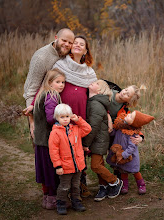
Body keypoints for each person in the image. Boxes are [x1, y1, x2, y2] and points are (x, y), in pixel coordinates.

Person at [53, 35, 97, 197]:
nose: (77, 45)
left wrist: (105, 114)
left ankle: (80, 184)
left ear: (86, 50)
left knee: (79, 147)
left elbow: (95, 95)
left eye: (82, 44)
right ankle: (63, 186)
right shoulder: (60, 65)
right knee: (64, 147)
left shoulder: (89, 72)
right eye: (75, 43)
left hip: (81, 114)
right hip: (64, 113)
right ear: (71, 47)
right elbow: (52, 83)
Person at [23, 28, 74, 138]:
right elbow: (31, 89)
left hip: (59, 110)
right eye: (64, 40)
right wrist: (32, 121)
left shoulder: (68, 55)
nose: (67, 44)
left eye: (70, 43)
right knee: (42, 146)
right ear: (56, 38)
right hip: (40, 108)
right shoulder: (41, 58)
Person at [82, 80, 123, 201]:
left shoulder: (96, 105)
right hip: (97, 139)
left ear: (99, 90)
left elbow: (93, 127)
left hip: (98, 140)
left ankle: (115, 181)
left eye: (96, 83)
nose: (92, 83)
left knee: (95, 166)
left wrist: (86, 143)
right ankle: (103, 186)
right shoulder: (94, 102)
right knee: (99, 164)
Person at [48, 104, 92, 215]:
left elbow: (88, 129)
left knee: (76, 185)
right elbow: (53, 151)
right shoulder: (55, 133)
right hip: (65, 166)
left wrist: (78, 119)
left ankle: (76, 202)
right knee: (64, 186)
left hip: (78, 165)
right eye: (62, 117)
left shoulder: (75, 129)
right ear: (57, 118)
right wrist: (58, 166)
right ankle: (61, 203)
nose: (65, 119)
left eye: (67, 116)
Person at [32, 69, 66, 209]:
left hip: (39, 140)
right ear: (49, 82)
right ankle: (52, 199)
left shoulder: (41, 94)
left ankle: (46, 197)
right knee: (51, 170)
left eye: (63, 82)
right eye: (58, 82)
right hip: (48, 140)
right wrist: (65, 117)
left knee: (43, 169)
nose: (61, 85)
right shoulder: (52, 95)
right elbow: (51, 118)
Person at [106, 110, 154, 195]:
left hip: (130, 157)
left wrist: (124, 155)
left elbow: (132, 147)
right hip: (120, 155)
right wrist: (111, 131)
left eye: (131, 117)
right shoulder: (121, 126)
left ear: (133, 123)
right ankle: (124, 186)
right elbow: (114, 134)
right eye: (130, 114)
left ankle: (141, 185)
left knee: (135, 171)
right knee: (123, 171)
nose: (128, 115)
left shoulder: (133, 134)